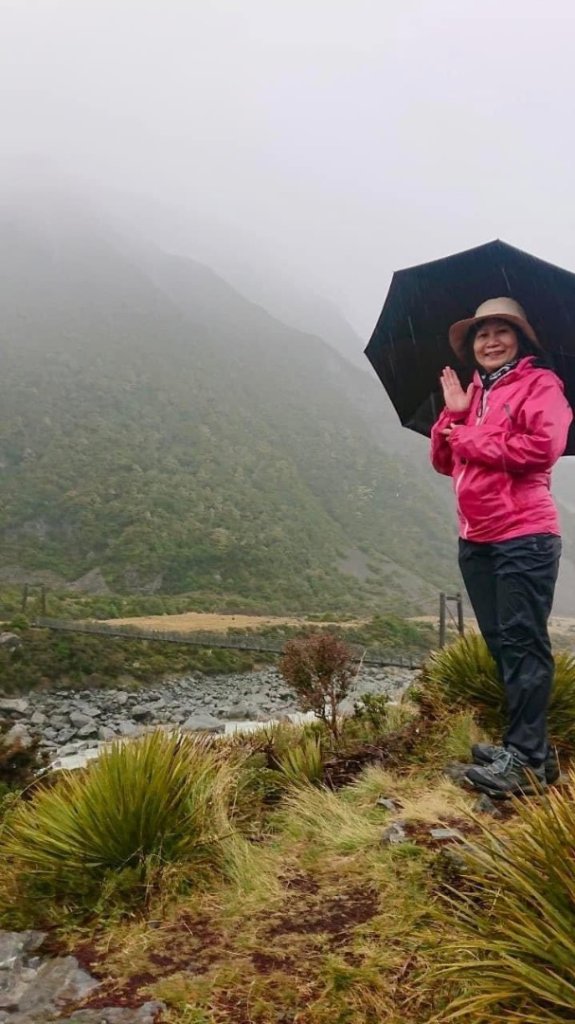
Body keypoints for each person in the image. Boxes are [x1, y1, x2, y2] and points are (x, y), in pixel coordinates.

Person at [430, 297, 573, 797]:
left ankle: (528, 760)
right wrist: (453, 418)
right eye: (481, 334)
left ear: (520, 339)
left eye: (501, 331)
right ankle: (528, 749)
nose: (490, 341)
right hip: (478, 538)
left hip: (525, 535)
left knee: (522, 642)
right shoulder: (476, 394)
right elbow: (446, 463)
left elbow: (542, 449)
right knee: (502, 645)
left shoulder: (541, 385)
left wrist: (467, 435)